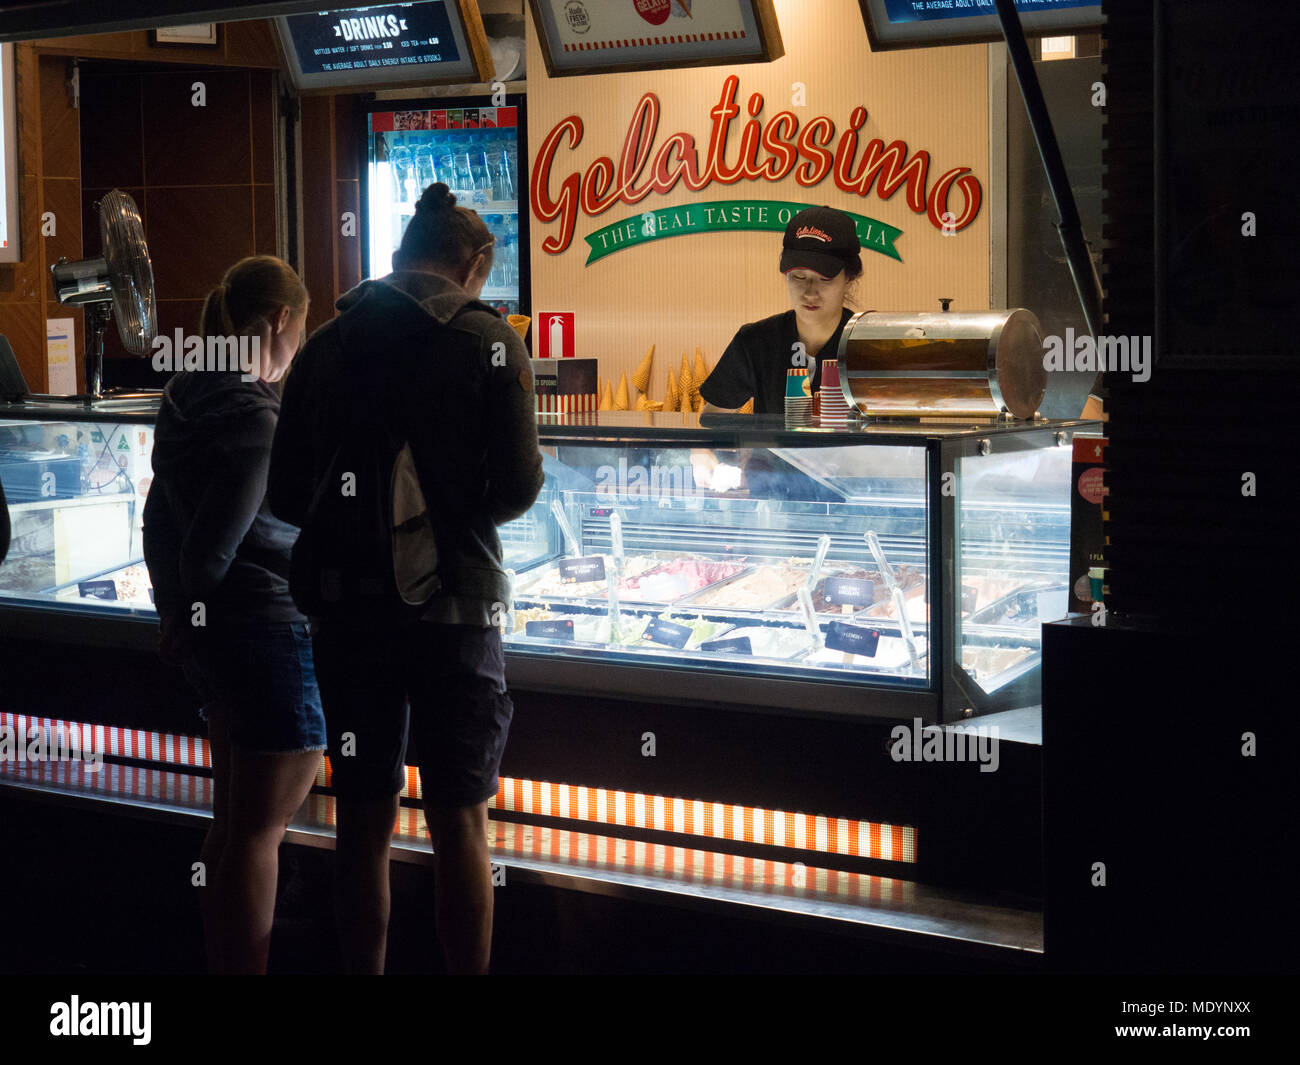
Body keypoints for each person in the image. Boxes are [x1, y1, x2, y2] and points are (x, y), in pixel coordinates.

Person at [268, 182, 544, 975]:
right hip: (457, 609)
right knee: (461, 820)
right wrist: (455, 513)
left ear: (397, 255)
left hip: (350, 616)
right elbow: (520, 487)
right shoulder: (491, 342)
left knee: (362, 819)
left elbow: (287, 493)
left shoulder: (327, 342)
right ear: (476, 263)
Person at [142, 255, 323, 975]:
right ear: (278, 320)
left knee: (232, 823)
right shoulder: (255, 418)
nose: (300, 349)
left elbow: (160, 519)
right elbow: (210, 554)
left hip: (222, 642)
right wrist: (188, 611)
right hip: (266, 632)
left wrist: (177, 618)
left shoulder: (185, 393)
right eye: (301, 330)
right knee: (258, 831)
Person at [695, 205, 863, 498]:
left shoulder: (870, 343)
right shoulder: (757, 341)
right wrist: (701, 453)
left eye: (824, 279)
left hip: (855, 502)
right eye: (798, 276)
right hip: (774, 506)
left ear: (849, 277)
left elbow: (905, 441)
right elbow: (713, 419)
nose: (810, 292)